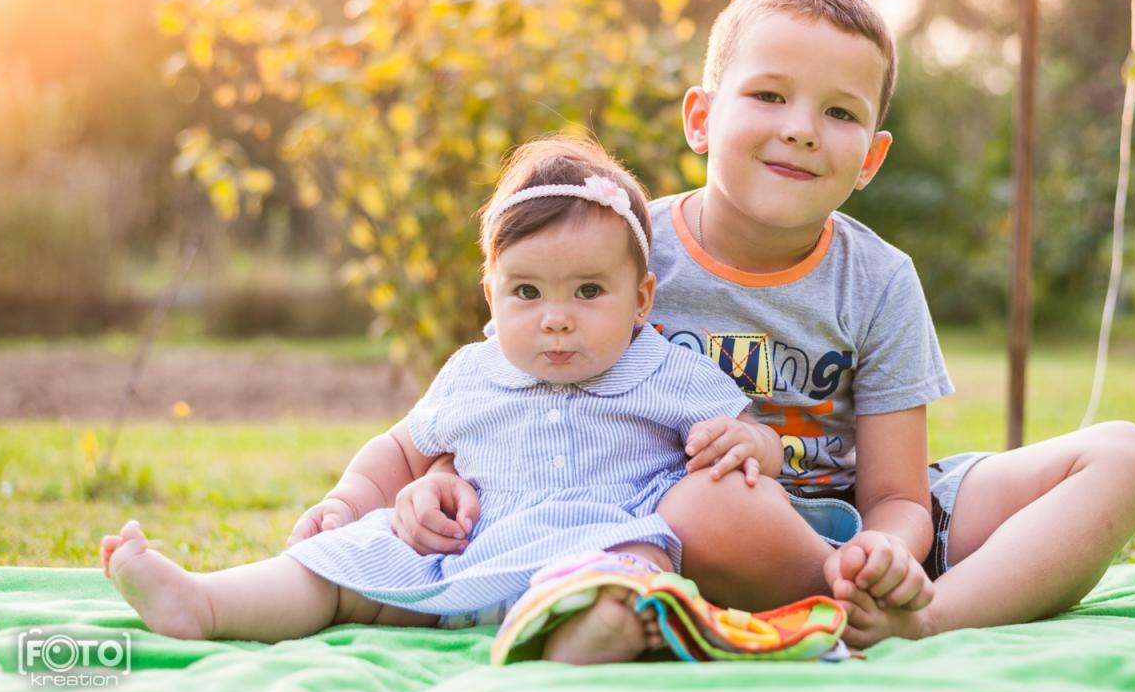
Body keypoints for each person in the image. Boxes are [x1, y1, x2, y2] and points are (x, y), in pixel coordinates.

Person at [393, 0, 1135, 649]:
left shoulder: (879, 279)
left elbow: (895, 493)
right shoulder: (618, 249)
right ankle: (839, 604)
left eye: (838, 112)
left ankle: (924, 615)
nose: (800, 126)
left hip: (861, 529)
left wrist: (889, 550)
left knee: (1123, 456)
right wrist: (437, 477)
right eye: (769, 95)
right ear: (700, 118)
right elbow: (504, 382)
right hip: (683, 519)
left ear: (870, 158)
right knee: (708, 499)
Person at [100, 137, 766, 664]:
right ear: (492, 295)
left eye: (589, 292)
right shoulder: (474, 373)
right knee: (344, 563)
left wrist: (753, 444)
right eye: (527, 293)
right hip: (460, 557)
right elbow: (399, 448)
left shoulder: (664, 370)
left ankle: (578, 645)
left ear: (641, 299)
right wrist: (347, 502)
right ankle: (207, 603)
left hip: (592, 548)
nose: (556, 318)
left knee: (636, 573)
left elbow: (747, 429)